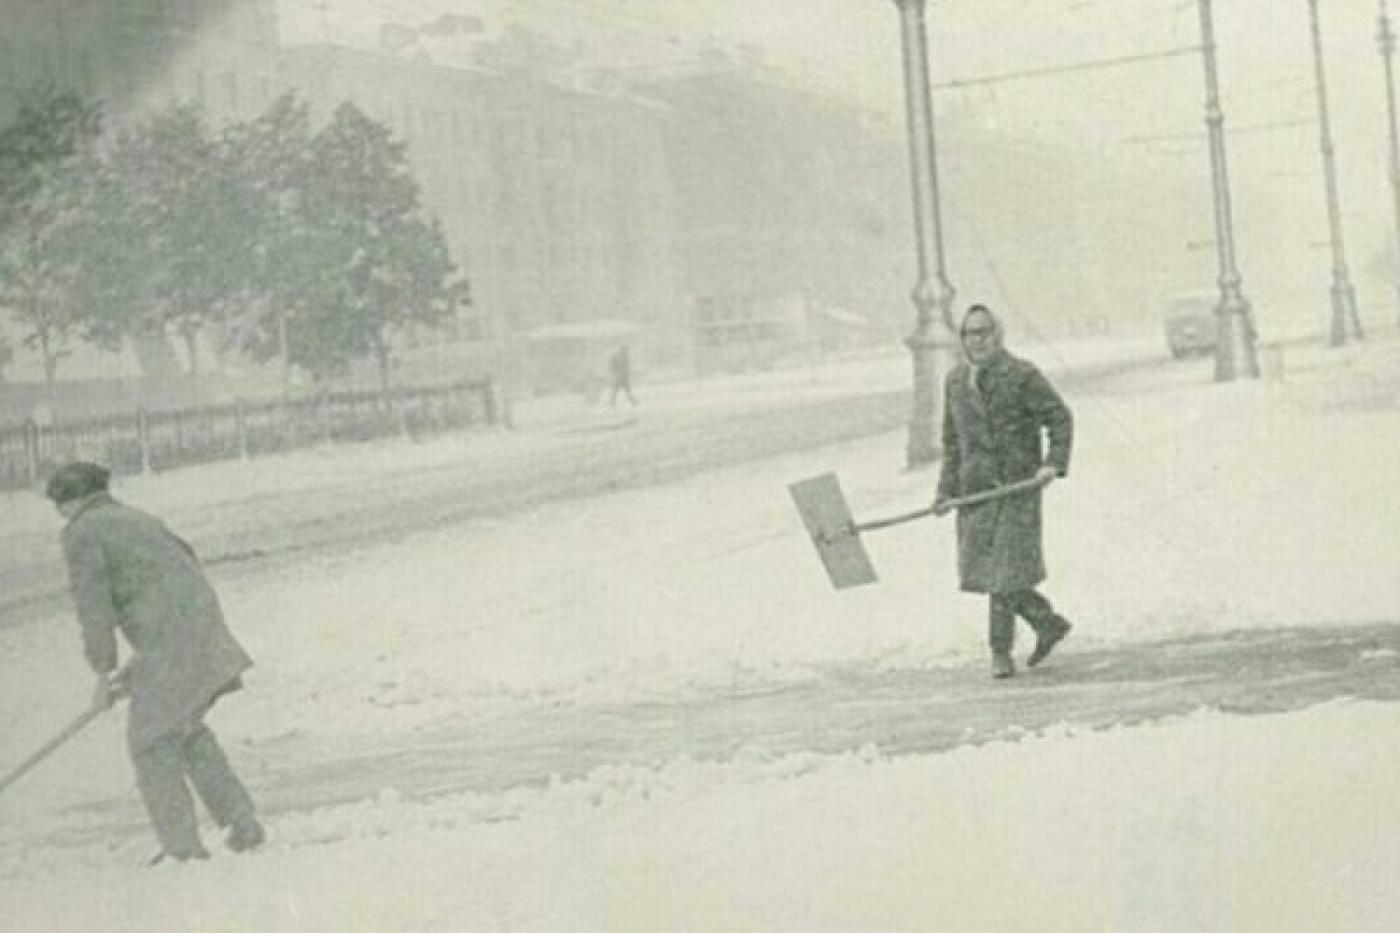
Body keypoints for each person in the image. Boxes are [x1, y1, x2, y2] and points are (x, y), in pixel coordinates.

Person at [47, 461, 264, 863]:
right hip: (201, 629)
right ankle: (240, 821)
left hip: (170, 644)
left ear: (70, 501)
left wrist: (103, 672)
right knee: (185, 729)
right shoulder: (138, 518)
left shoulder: (81, 532)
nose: (59, 513)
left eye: (58, 504)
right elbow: (174, 578)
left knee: (150, 743)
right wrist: (141, 664)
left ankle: (182, 849)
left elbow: (95, 610)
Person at [933, 305, 1075, 679]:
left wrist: (1052, 464)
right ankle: (1047, 622)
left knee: (1003, 575)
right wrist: (945, 490)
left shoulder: (1022, 375)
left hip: (1016, 489)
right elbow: (952, 441)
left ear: (998, 335)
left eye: (983, 332)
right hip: (976, 492)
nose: (976, 341)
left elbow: (1060, 417)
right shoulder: (955, 382)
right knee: (992, 573)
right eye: (968, 334)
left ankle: (1000, 652)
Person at [608, 343, 637, 407]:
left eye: (627, 350)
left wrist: (627, 374)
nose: (627, 351)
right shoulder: (615, 356)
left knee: (627, 390)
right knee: (615, 391)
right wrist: (616, 373)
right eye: (626, 349)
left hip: (624, 377)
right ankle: (611, 403)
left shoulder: (626, 357)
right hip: (618, 377)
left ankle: (633, 402)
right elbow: (612, 367)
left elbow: (627, 367)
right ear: (623, 349)